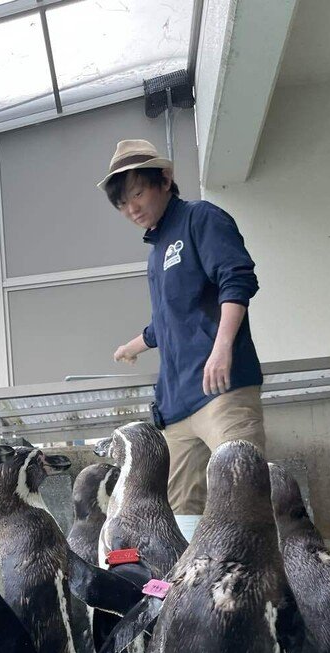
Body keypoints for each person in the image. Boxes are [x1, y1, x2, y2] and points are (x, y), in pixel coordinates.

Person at [100, 139, 266, 540]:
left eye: (137, 193)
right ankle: (193, 594)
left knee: (244, 490)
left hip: (221, 389)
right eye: (123, 204)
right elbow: (167, 322)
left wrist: (222, 347)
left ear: (166, 179)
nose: (132, 209)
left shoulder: (200, 219)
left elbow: (237, 280)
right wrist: (132, 346)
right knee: (179, 509)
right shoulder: (156, 250)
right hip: (175, 406)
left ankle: (258, 591)